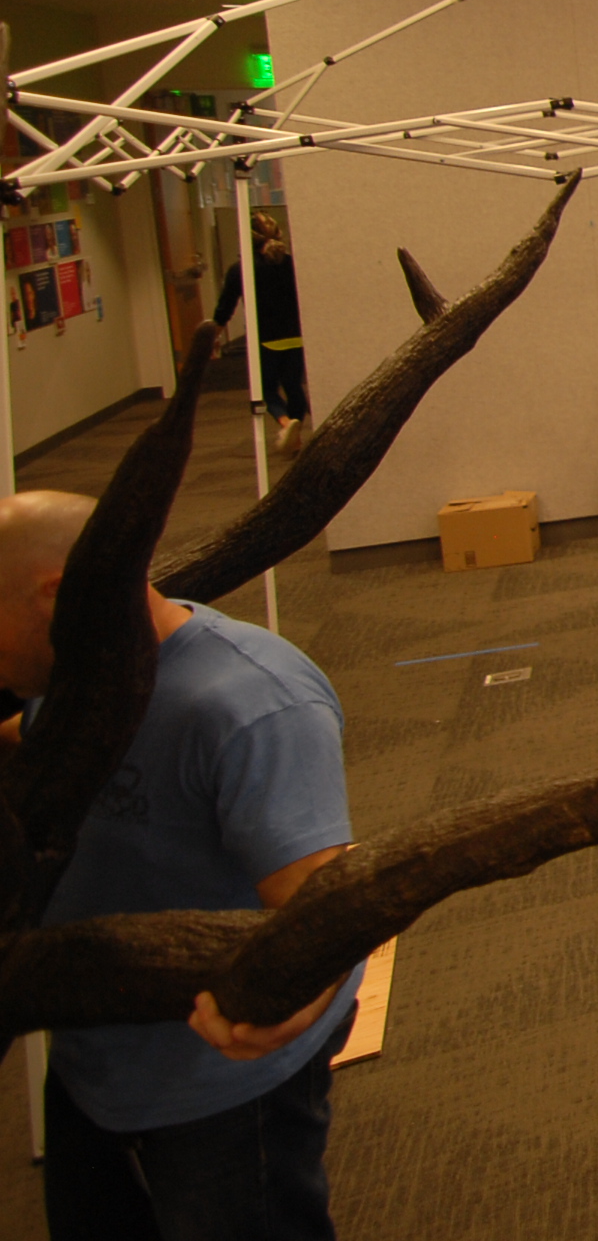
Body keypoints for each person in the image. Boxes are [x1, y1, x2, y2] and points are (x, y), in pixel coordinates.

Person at [0, 490, 359, 1240]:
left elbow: (327, 911)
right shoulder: (70, 678)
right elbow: (31, 743)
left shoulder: (253, 705)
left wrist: (291, 1006)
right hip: (90, 1060)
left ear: (56, 595)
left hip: (221, 1086)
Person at [216, 211, 308, 456]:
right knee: (294, 386)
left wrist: (214, 334)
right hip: (296, 335)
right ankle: (296, 436)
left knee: (266, 389)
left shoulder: (242, 269)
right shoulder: (292, 264)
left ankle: (286, 423)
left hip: (265, 339)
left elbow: (225, 307)